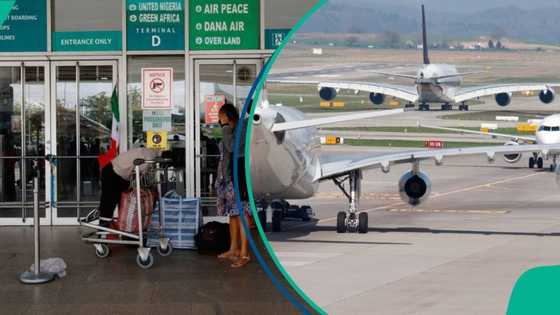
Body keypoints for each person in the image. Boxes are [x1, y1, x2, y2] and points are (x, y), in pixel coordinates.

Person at [215, 103, 251, 268]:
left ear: (229, 116)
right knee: (233, 214)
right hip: (229, 178)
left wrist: (224, 127)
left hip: (240, 177)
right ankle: (234, 248)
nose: (219, 119)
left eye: (221, 116)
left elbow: (231, 148)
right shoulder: (231, 130)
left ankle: (244, 254)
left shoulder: (241, 128)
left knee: (242, 213)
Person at [89, 146, 160, 227]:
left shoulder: (150, 153)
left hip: (121, 175)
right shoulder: (149, 157)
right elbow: (138, 175)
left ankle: (123, 228)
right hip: (113, 172)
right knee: (108, 203)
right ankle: (103, 230)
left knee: (123, 204)